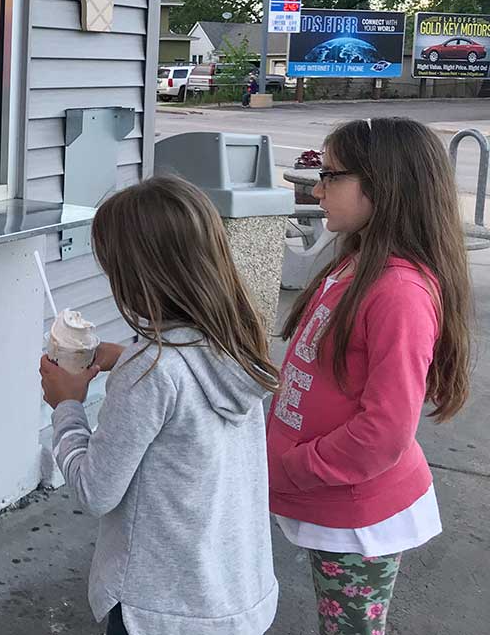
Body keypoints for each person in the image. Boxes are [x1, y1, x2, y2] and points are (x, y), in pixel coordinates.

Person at [40, 177, 280, 635]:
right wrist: (124, 355)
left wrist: (66, 406)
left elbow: (95, 490)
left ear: (138, 275)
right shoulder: (235, 343)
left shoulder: (149, 373)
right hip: (234, 600)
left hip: (158, 612)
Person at [267, 117, 472, 635]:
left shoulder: (398, 292)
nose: (316, 189)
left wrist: (294, 467)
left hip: (359, 517)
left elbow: (383, 432)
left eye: (331, 175)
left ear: (383, 184)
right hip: (330, 499)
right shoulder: (354, 264)